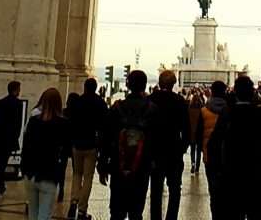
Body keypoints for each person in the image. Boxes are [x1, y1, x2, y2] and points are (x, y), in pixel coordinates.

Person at [208, 74, 261, 220]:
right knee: (255, 214)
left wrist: (217, 171)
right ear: (252, 93)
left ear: (235, 93)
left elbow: (213, 143)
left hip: (231, 175)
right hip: (255, 174)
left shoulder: (227, 113)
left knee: (234, 213)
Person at [100, 69, 154, 220]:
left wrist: (103, 164)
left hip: (119, 165)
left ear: (127, 84)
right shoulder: (152, 110)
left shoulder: (116, 108)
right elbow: (156, 140)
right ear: (144, 86)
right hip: (142, 167)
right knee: (136, 211)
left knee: (117, 211)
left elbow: (106, 138)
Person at [21, 87, 71, 220]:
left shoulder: (33, 121)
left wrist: (24, 169)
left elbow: (25, 147)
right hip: (49, 174)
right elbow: (67, 150)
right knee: (44, 214)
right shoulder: (63, 123)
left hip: (30, 173)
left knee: (33, 212)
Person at [148, 70, 190, 220]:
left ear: (159, 83)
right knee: (175, 190)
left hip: (154, 152)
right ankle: (171, 217)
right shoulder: (180, 101)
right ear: (174, 84)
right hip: (174, 151)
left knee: (156, 189)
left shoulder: (150, 100)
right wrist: (182, 149)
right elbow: (186, 130)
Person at [68, 76, 109, 220]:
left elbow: (71, 122)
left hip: (77, 144)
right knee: (88, 177)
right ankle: (82, 210)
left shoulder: (77, 101)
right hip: (91, 144)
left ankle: (73, 201)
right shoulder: (100, 103)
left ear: (85, 87)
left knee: (76, 174)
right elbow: (104, 126)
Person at [197, 80, 229, 220]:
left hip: (210, 156)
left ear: (212, 92)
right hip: (228, 156)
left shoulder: (204, 110)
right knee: (227, 190)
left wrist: (202, 150)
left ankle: (216, 216)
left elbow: (198, 135)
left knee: (214, 191)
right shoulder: (230, 110)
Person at [0, 80, 24, 198]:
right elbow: (18, 123)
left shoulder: (1, 102)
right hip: (9, 138)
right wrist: (16, 137)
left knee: (1, 162)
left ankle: (0, 186)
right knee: (2, 164)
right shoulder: (18, 104)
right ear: (15, 90)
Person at [188, 92, 204, 174]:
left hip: (192, 133)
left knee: (192, 150)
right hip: (200, 133)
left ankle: (193, 163)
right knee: (198, 151)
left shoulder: (189, 110)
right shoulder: (202, 110)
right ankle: (197, 167)